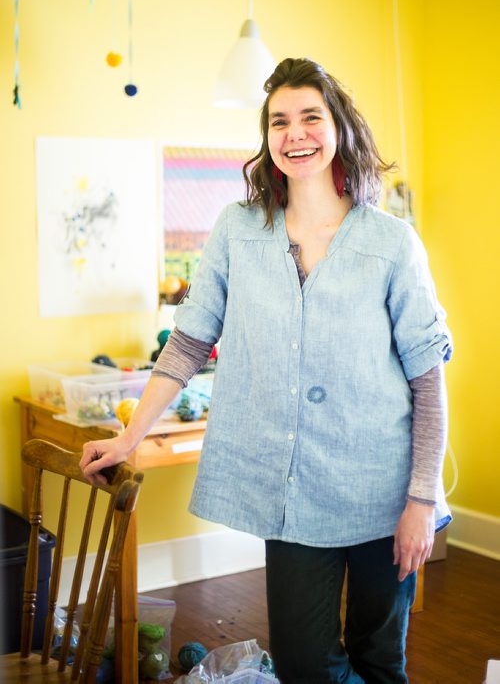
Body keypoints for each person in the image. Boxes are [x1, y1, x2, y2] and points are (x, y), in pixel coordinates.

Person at [80, 57, 452, 684]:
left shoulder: (391, 243)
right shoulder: (237, 230)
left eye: (311, 116)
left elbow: (426, 379)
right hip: (293, 496)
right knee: (306, 663)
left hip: (384, 489)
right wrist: (129, 436)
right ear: (267, 138)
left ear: (340, 129)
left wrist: (421, 499)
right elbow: (189, 342)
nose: (295, 133)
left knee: (380, 657)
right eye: (279, 121)